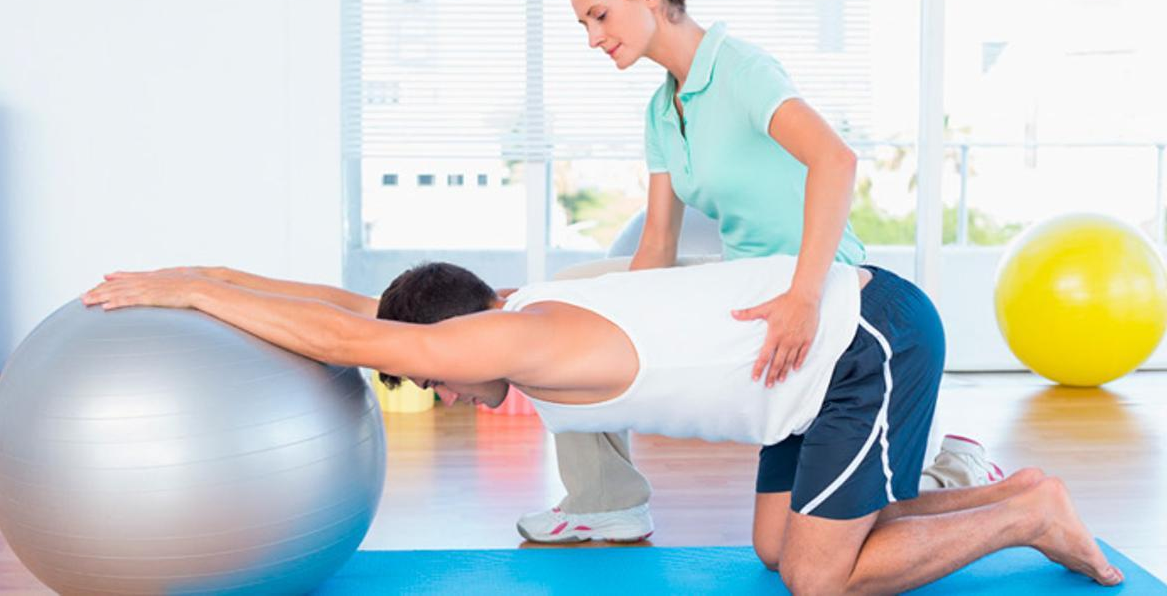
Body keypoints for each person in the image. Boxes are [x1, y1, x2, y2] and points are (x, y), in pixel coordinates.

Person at [81, 258, 1123, 592]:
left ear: (462, 338)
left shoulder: (522, 343)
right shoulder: (507, 312)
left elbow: (367, 343)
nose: (438, 392)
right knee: (774, 548)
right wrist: (188, 279)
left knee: (816, 579)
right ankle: (1008, 491)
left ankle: (1029, 513)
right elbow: (338, 305)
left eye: (436, 372)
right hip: (797, 379)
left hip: (864, 343)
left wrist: (199, 301)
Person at [541, 0, 999, 542]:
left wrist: (804, 297)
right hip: (749, 286)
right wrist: (621, 333)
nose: (593, 38)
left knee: (847, 534)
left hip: (828, 293)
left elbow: (835, 161)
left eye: (600, 15)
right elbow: (655, 246)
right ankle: (604, 497)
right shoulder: (661, 110)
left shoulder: (740, 70)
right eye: (583, 25)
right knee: (569, 297)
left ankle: (960, 472)